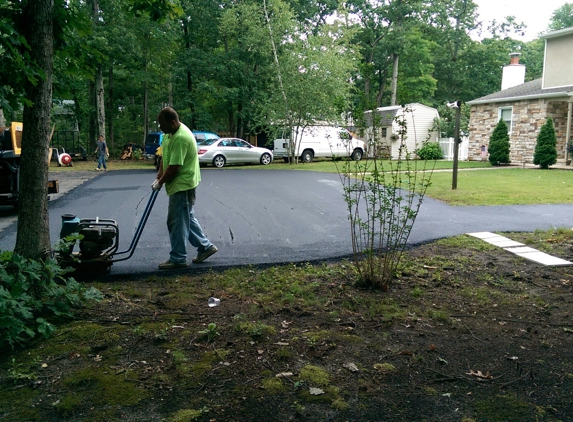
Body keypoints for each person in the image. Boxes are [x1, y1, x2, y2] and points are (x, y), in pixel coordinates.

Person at [152, 107, 218, 270]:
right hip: (178, 183)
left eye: (162, 125)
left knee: (176, 222)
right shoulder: (169, 134)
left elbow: (174, 167)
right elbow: (164, 157)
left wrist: (161, 183)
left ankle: (178, 258)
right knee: (186, 218)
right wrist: (158, 176)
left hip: (183, 185)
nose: (160, 128)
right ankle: (205, 247)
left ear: (172, 122)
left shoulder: (181, 137)